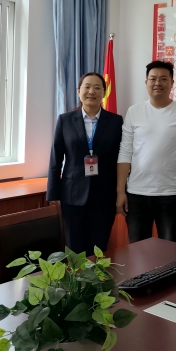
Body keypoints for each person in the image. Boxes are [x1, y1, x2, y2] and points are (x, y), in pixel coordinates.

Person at [116, 61, 176, 242]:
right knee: (137, 249)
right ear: (146, 83)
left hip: (170, 194)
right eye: (153, 79)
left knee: (168, 248)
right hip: (137, 193)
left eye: (163, 79)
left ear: (172, 83)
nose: (158, 83)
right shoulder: (134, 111)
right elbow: (125, 152)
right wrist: (120, 192)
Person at [47, 72, 123, 255]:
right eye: (87, 87)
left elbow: (121, 158)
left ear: (104, 92)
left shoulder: (115, 121)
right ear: (78, 91)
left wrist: (121, 191)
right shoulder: (65, 120)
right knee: (74, 250)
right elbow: (56, 159)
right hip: (72, 196)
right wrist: (53, 194)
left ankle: (96, 276)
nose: (91, 92)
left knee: (99, 249)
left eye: (97, 87)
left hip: (104, 196)